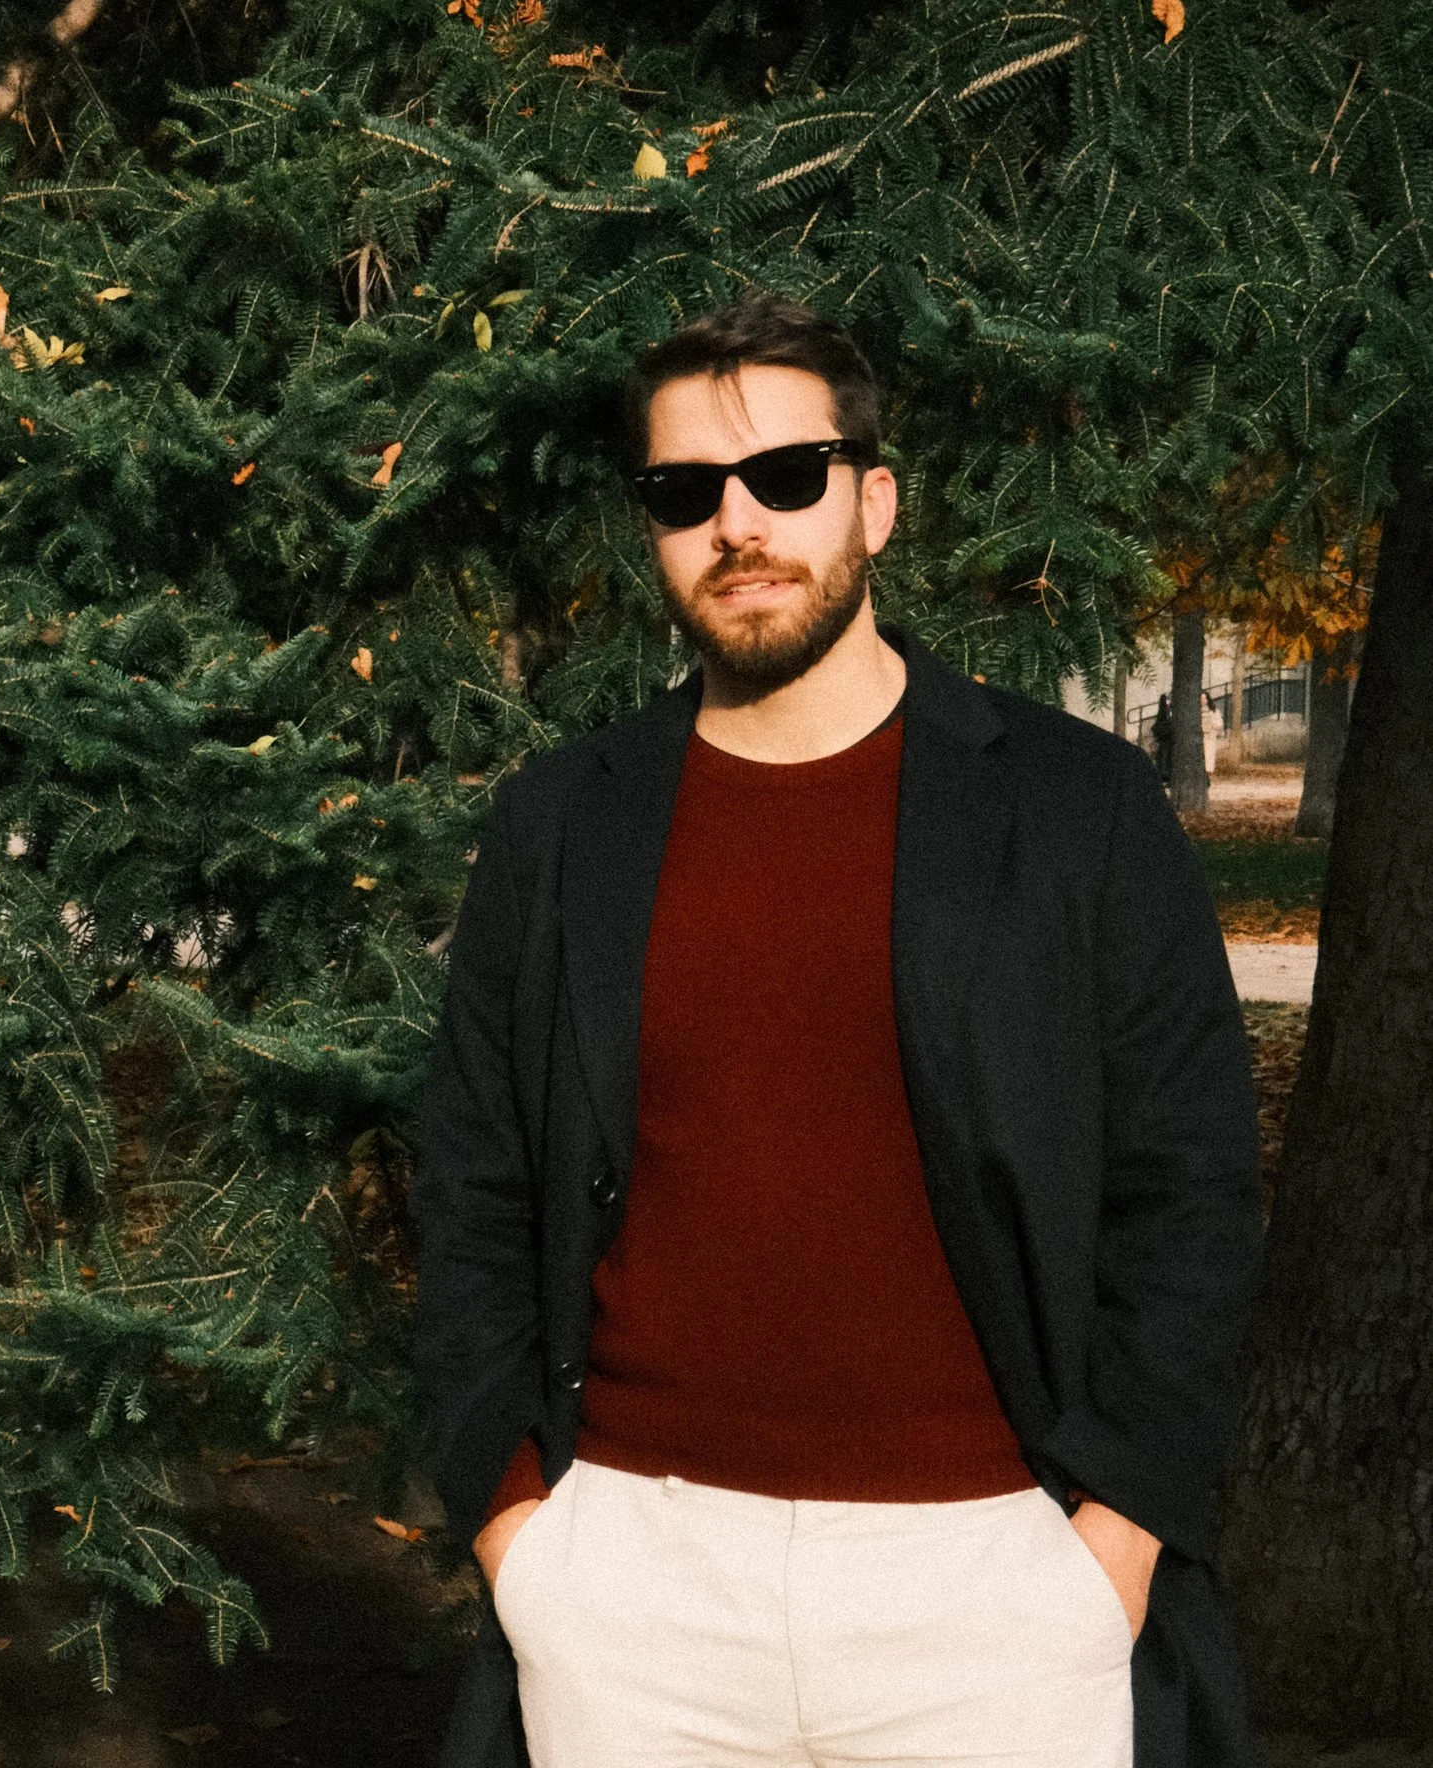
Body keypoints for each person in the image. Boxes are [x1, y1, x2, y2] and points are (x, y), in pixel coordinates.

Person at [413, 293, 1262, 1768]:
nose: (738, 524)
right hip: (633, 1598)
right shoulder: (564, 825)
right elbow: (475, 1189)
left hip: (998, 1594)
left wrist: (1106, 1548)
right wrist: (521, 1544)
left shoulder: (1075, 810)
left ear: (874, 501)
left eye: (785, 478)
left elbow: (1190, 1192)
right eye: (686, 493)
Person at [1152, 690, 1177, 789]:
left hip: (1170, 739)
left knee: (1168, 758)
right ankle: (1164, 776)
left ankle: (1169, 777)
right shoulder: (1163, 711)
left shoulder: (1174, 710)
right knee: (1164, 757)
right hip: (1165, 740)